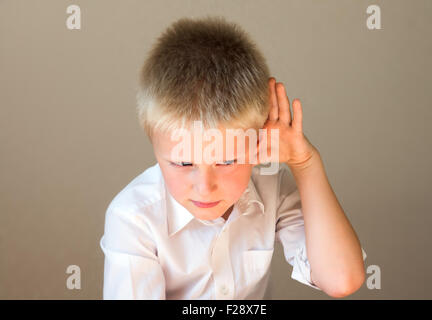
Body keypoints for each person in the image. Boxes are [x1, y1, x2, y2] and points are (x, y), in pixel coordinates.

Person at [100, 15, 366, 299]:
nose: (205, 186)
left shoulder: (271, 190)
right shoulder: (133, 218)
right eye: (183, 162)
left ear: (258, 142)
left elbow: (341, 280)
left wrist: (305, 163)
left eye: (227, 161)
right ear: (154, 146)